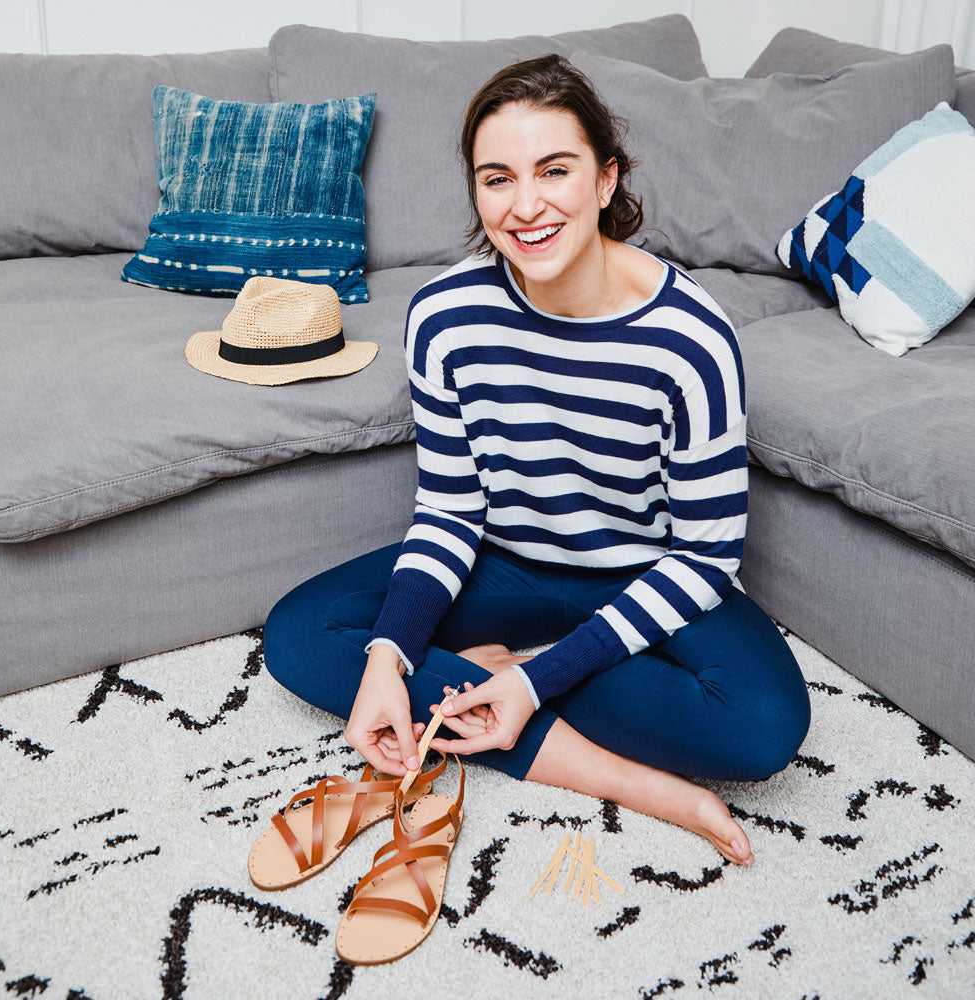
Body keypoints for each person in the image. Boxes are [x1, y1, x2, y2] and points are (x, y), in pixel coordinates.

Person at [263, 54, 811, 867]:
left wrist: (533, 677)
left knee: (764, 725)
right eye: (497, 178)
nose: (525, 206)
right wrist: (387, 658)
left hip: (646, 575)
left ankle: (502, 681)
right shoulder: (446, 317)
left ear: (604, 180)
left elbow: (705, 557)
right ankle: (629, 781)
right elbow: (450, 512)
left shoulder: (693, 339)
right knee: (304, 637)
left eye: (555, 170)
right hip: (505, 566)